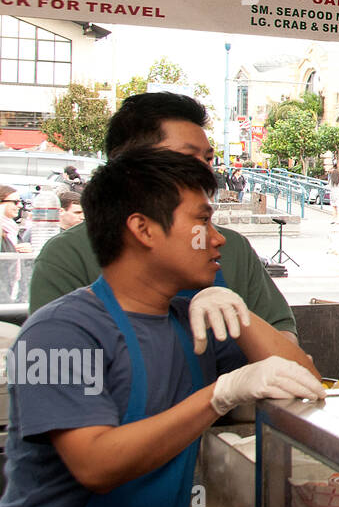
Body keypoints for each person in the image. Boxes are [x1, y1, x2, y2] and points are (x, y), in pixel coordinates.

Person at [0, 149, 322, 507]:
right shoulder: (57, 333)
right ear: (144, 229)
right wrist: (219, 395)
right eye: (202, 220)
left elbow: (304, 380)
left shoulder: (192, 323)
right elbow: (96, 464)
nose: (218, 238)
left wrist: (243, 317)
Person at [28, 93, 299, 340]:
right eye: (187, 159)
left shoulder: (233, 249)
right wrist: (220, 391)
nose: (205, 172)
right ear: (128, 164)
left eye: (207, 159)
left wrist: (250, 332)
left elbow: (282, 333)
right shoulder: (67, 257)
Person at [0, 185, 30, 254]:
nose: (20, 206)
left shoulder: (13, 230)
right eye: (15, 202)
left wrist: (26, 251)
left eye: (21, 202)